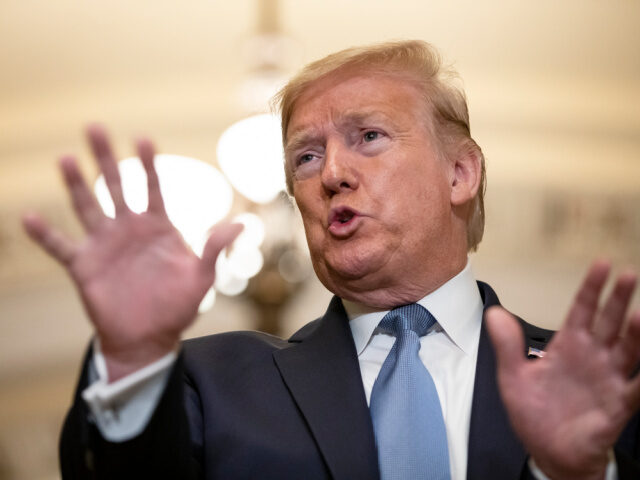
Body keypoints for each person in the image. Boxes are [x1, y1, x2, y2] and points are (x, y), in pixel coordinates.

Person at [23, 40, 640, 479]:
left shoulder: (602, 389)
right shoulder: (210, 385)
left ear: (460, 172)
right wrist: (132, 357)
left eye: (368, 137)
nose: (334, 175)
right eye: (306, 159)